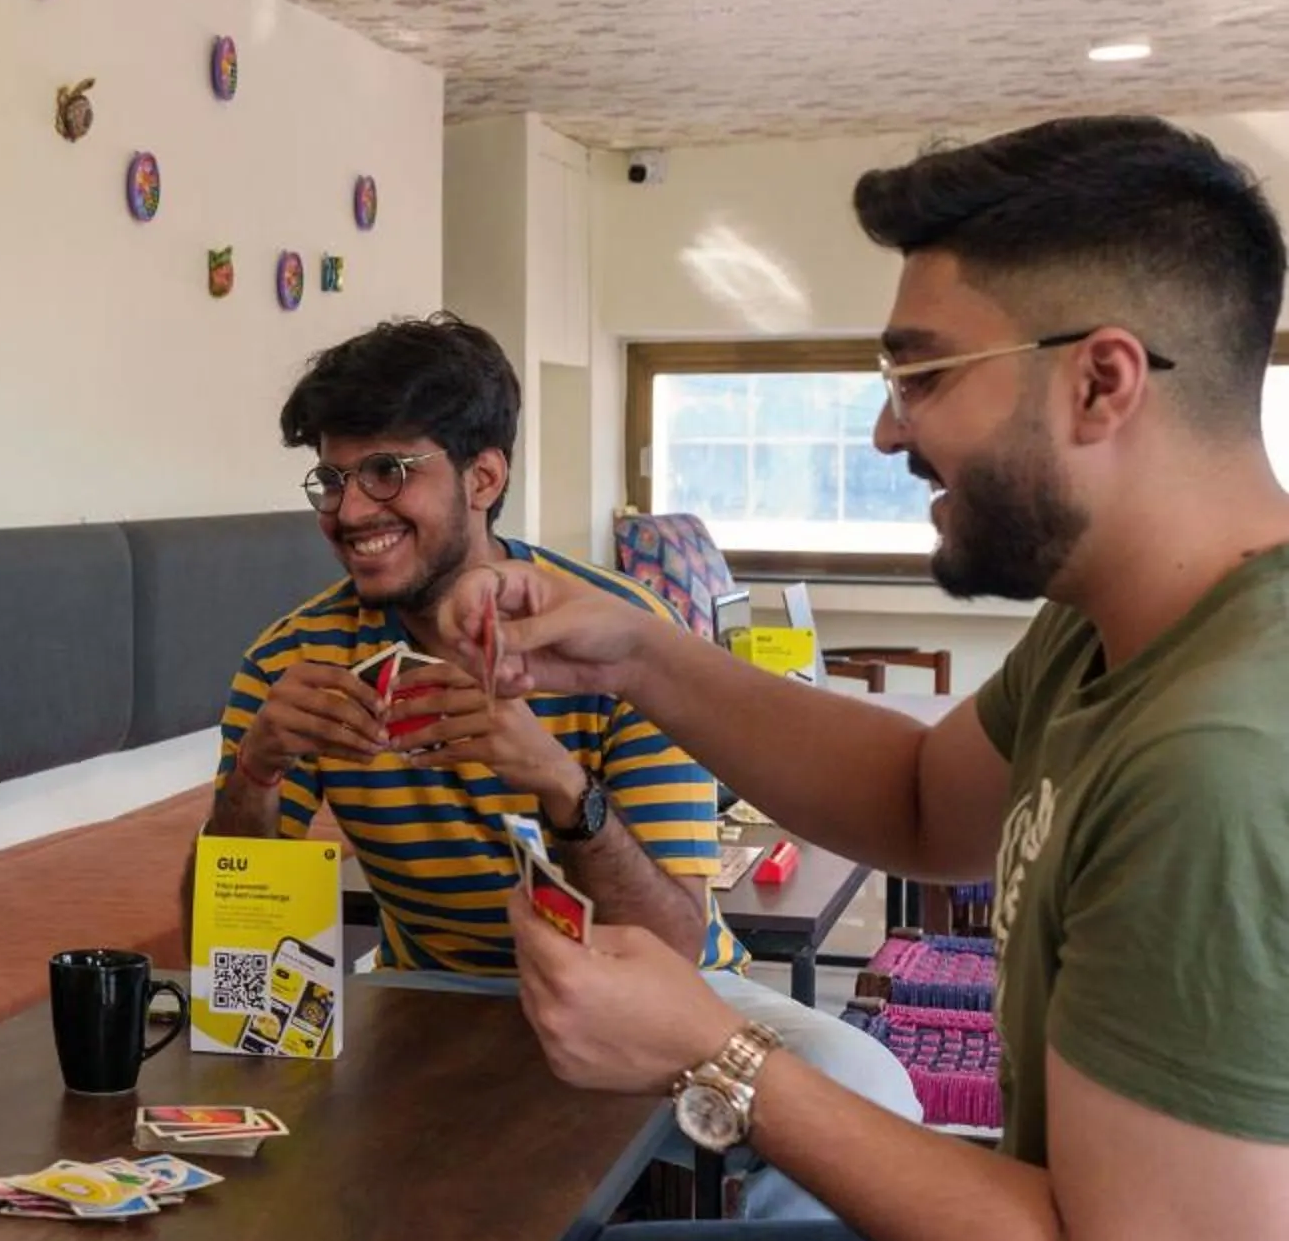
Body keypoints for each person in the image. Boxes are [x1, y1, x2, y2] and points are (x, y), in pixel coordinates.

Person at [437, 116, 1289, 1241]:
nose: (889, 426)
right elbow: (914, 799)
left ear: (1102, 383)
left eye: (922, 372)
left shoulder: (1225, 747)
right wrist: (637, 652)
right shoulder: (1135, 637)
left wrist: (713, 1048)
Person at [206, 313, 918, 1145]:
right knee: (249, 1101)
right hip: (431, 993)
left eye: (387, 472)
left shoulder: (616, 635)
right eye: (331, 480)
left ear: (482, 476)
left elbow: (675, 943)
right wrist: (255, 772)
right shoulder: (295, 658)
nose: (350, 509)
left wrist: (560, 786)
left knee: (867, 1082)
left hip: (659, 988)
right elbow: (225, 953)